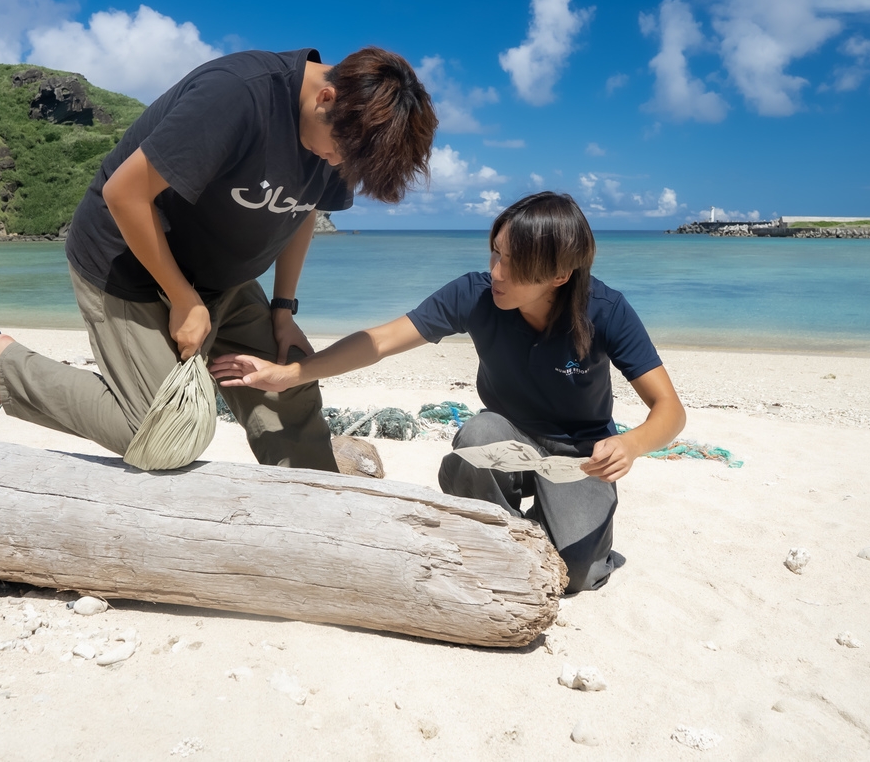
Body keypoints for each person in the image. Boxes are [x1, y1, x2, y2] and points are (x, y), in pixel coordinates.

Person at [0, 47, 438, 474]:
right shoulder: (237, 96)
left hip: (223, 278)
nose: (334, 165)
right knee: (165, 430)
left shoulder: (349, 136)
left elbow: (303, 209)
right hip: (129, 263)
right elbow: (124, 194)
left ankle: (313, 504)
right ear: (325, 98)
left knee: (292, 387)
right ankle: (3, 369)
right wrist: (183, 299)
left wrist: (283, 308)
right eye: (336, 155)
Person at [209, 192, 686, 591]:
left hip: (580, 454)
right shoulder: (476, 294)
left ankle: (552, 521)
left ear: (559, 276)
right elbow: (382, 340)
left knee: (578, 575)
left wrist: (631, 444)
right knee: (476, 435)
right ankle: (514, 532)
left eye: (516, 265)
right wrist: (294, 374)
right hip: (507, 437)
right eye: (495, 253)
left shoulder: (606, 310)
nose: (497, 272)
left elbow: (669, 410)